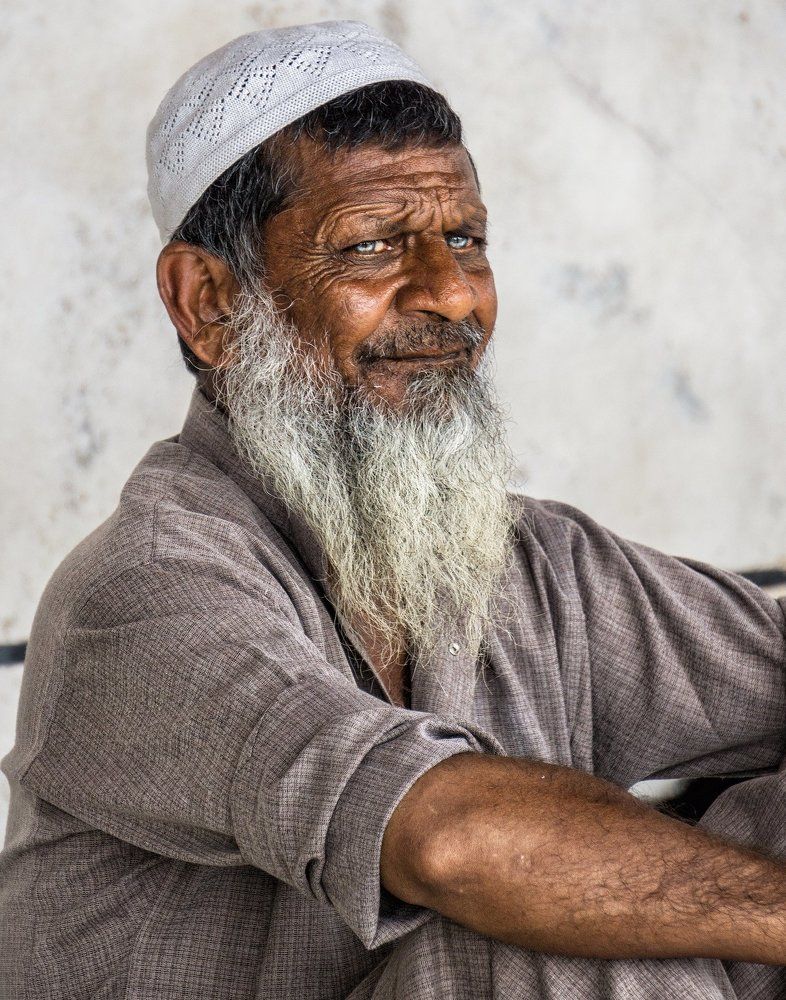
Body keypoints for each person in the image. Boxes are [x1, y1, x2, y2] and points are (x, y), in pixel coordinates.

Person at [1, 19, 785, 999]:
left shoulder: (534, 565)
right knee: (557, 928)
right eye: (374, 245)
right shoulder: (144, 590)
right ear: (207, 301)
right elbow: (447, 840)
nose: (453, 294)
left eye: (466, 239)